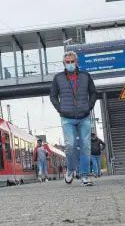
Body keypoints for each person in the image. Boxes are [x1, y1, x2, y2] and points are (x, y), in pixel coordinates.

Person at [50, 51, 97, 187]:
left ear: (77, 62)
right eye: (67, 62)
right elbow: (53, 96)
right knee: (70, 146)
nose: (70, 64)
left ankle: (85, 176)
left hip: (84, 117)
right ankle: (70, 170)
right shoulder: (58, 78)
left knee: (85, 146)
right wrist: (60, 109)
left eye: (72, 61)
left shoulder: (85, 76)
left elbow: (93, 93)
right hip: (67, 118)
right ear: (64, 63)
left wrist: (89, 107)